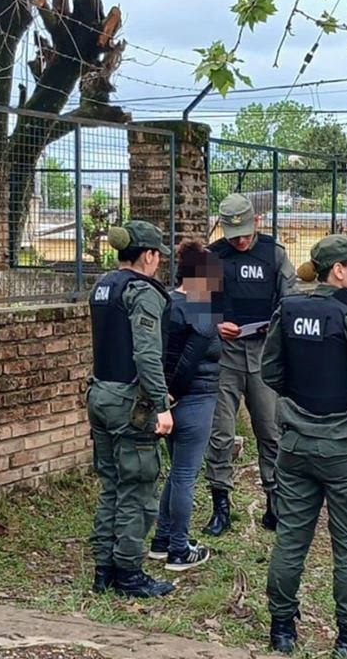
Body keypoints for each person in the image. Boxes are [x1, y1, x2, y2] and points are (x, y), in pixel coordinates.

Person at [262, 234, 347, 657]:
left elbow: (270, 371)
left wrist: (303, 401)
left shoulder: (290, 308)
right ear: (339, 270)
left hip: (295, 444)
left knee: (290, 540)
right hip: (345, 449)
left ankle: (281, 632)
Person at [87, 221, 176, 598]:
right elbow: (147, 354)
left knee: (111, 485)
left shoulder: (103, 286)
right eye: (159, 256)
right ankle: (129, 573)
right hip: (130, 402)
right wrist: (162, 405)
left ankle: (103, 569)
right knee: (137, 489)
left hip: (100, 395)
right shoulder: (143, 292)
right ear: (149, 255)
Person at [203, 194, 297, 536]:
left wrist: (275, 327)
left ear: (256, 222)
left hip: (263, 356)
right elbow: (191, 308)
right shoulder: (211, 257)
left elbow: (291, 302)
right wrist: (214, 324)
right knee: (221, 434)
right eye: (233, 234)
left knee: (270, 432)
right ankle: (221, 506)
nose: (240, 241)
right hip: (224, 357)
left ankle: (274, 503)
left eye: (244, 233)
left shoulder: (275, 254)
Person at [148, 240, 222, 572]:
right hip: (193, 399)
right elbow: (190, 361)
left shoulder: (168, 302)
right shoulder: (201, 308)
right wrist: (172, 394)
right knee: (185, 475)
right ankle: (180, 549)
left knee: (176, 473)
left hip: (167, 401)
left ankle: (162, 541)